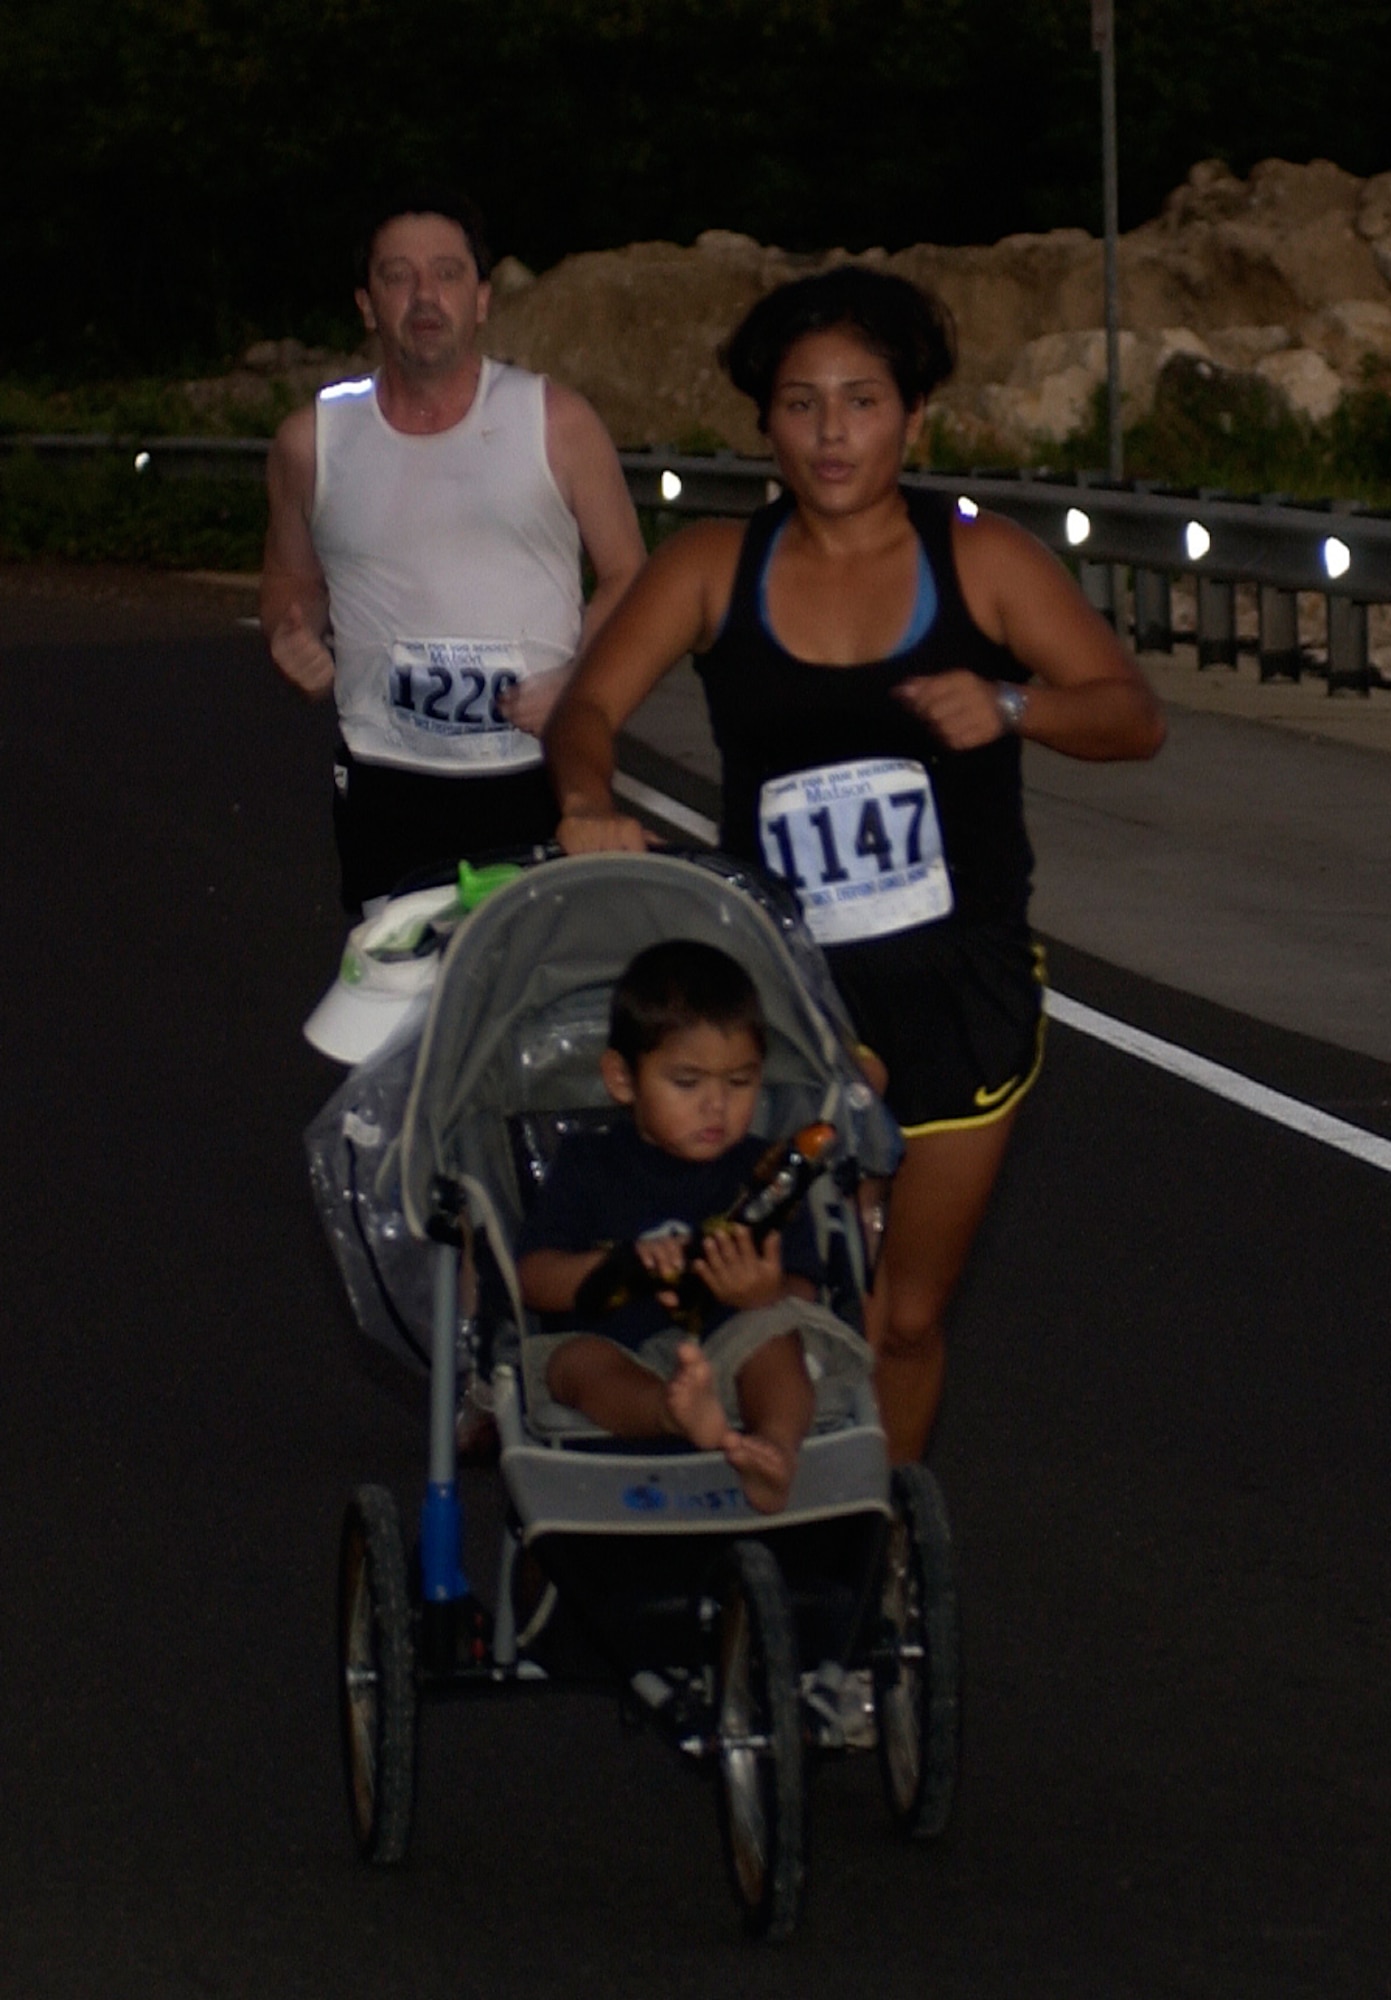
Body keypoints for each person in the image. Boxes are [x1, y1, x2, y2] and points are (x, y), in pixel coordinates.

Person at [545, 265, 1167, 1466]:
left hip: (955, 989)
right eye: (800, 404)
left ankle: (868, 1555)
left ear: (913, 417)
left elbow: (1130, 715)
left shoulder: (978, 558)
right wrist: (583, 796)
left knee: (908, 1313)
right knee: (777, 1295)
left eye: (862, 401)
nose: (831, 433)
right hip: (776, 1007)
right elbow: (587, 710)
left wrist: (1010, 701)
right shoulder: (712, 565)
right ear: (765, 420)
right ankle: (771, 1502)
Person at [260, 188, 646, 913]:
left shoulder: (554, 420)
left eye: (446, 272)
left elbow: (629, 577)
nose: (424, 295)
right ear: (367, 304)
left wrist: (581, 680)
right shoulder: (311, 440)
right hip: (387, 777)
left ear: (481, 299)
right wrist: (292, 635)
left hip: (532, 770)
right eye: (397, 276)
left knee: (534, 997)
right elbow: (291, 579)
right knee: (402, 1008)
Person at [516, 939, 866, 1514]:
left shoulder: (764, 1175)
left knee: (778, 1337)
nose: (716, 1107)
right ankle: (671, 1412)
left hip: (727, 1348)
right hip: (615, 1350)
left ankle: (772, 1452)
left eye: (739, 1083)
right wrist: (617, 1266)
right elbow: (533, 1277)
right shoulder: (589, 1164)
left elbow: (805, 1287)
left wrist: (761, 1291)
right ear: (623, 1080)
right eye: (688, 1083)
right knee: (576, 1364)